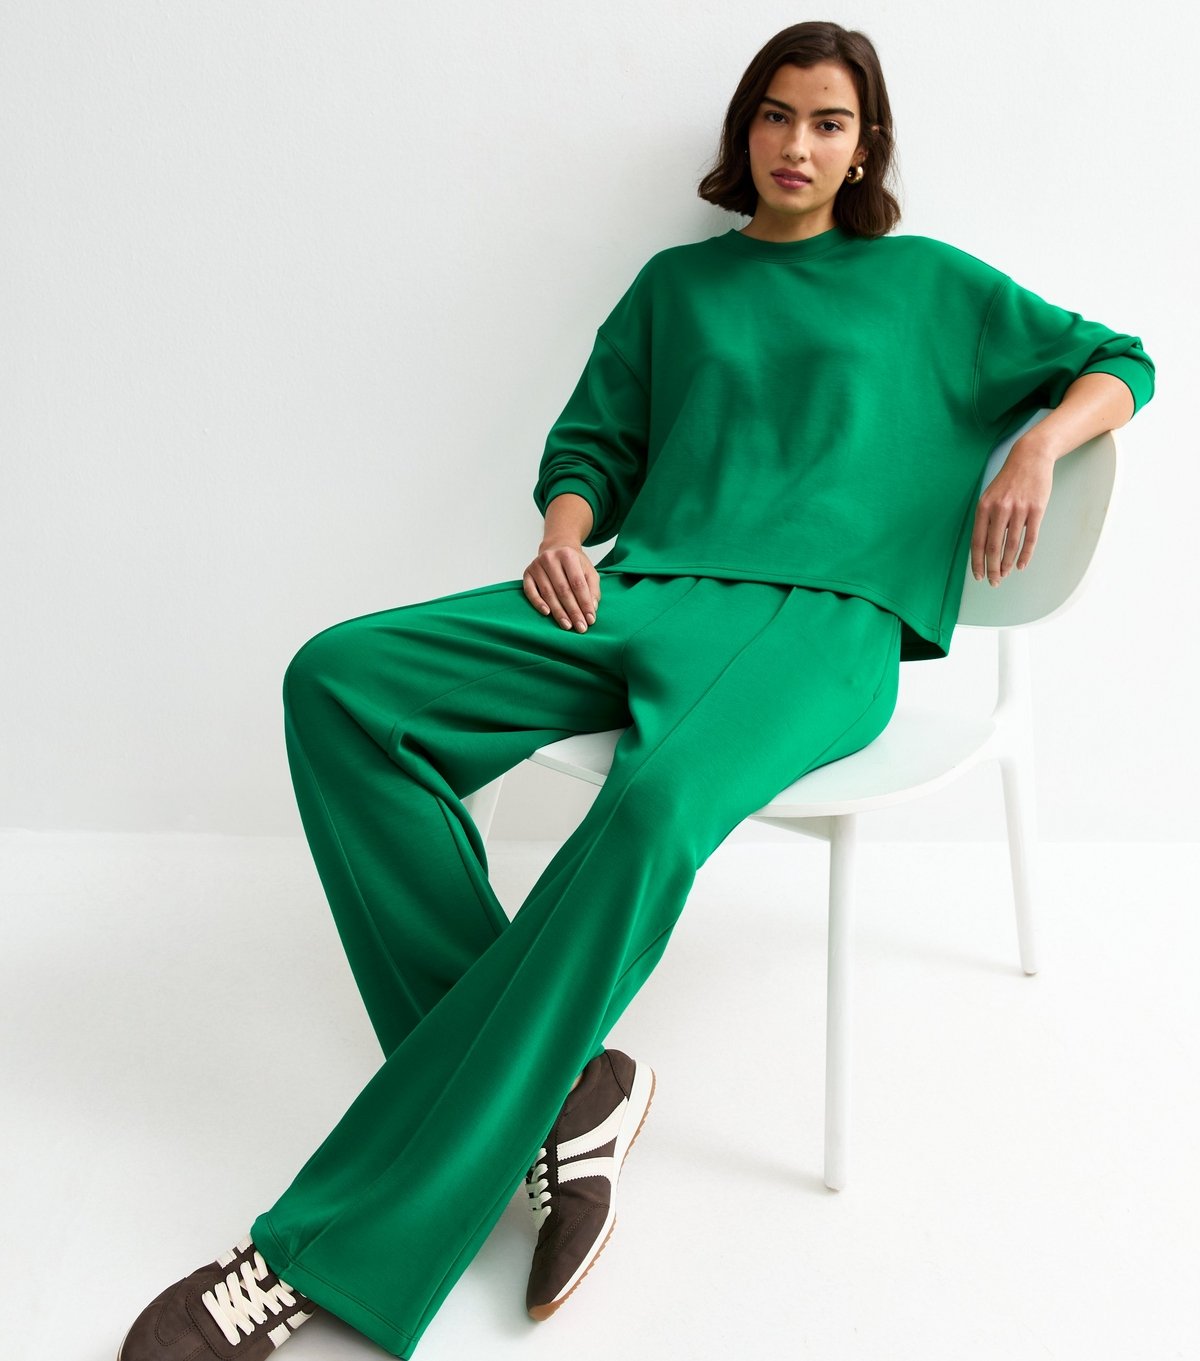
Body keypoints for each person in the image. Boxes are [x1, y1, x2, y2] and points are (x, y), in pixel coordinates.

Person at [116, 19, 1154, 1361]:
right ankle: (569, 1092)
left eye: (828, 122)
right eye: (775, 115)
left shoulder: (931, 285)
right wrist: (563, 533)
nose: (796, 144)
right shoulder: (679, 285)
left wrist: (1038, 445)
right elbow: (592, 444)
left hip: (823, 623)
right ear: (744, 130)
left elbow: (1120, 357)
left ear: (865, 147)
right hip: (644, 588)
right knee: (343, 684)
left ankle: (314, 1254)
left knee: (650, 811)